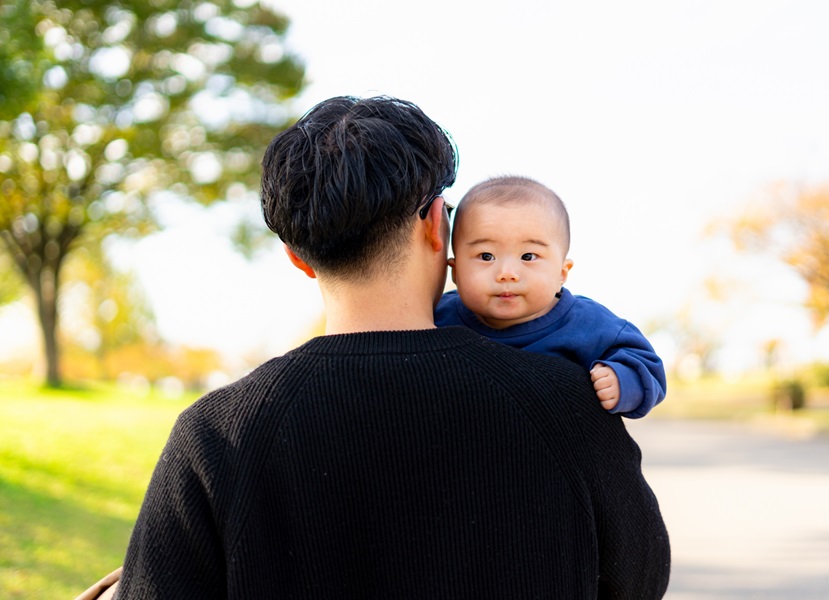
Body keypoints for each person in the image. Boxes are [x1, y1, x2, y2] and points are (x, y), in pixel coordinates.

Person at [106, 96, 670, 598]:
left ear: (297, 257)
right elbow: (641, 579)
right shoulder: (569, 402)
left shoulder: (214, 434)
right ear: (435, 226)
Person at [435, 175, 666, 419]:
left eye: (528, 256)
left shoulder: (588, 323)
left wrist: (622, 381)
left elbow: (648, 366)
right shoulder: (437, 316)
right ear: (455, 270)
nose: (506, 274)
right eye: (486, 256)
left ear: (561, 273)